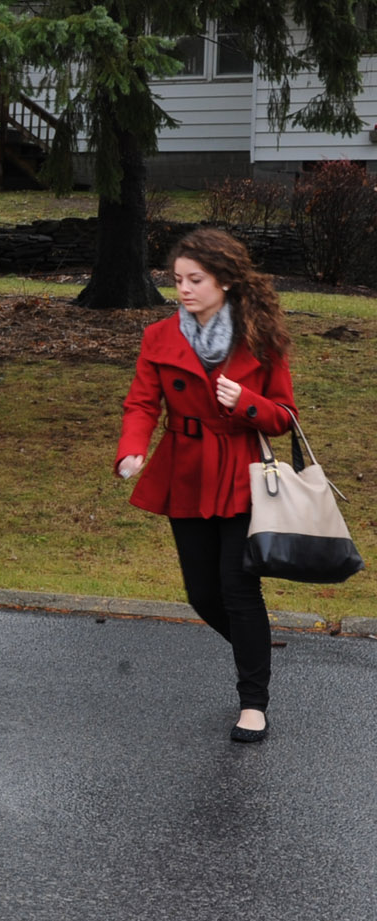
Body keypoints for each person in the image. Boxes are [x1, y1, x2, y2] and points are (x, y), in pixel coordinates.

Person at [116, 228, 296, 744]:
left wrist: (245, 402)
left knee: (239, 589)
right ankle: (253, 646)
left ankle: (253, 702)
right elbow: (143, 403)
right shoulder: (159, 337)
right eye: (177, 280)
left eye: (195, 279)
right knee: (201, 593)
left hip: (242, 471)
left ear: (225, 280)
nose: (184, 290)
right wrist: (133, 446)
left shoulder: (262, 336)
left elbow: (284, 415)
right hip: (186, 471)